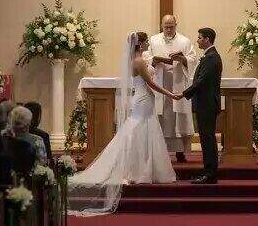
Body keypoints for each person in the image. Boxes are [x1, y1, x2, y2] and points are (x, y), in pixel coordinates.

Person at [68, 32, 178, 215]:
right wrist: (170, 94)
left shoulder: (136, 60)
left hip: (143, 99)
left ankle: (142, 169)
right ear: (140, 44)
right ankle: (137, 170)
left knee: (143, 131)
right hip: (143, 99)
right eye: (145, 42)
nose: (147, 45)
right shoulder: (139, 62)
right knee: (138, 131)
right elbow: (150, 83)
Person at [144, 15, 197, 162]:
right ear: (161, 25)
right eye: (166, 26)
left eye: (171, 26)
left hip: (178, 83)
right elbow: (147, 58)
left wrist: (183, 59)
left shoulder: (184, 41)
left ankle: (180, 151)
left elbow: (193, 59)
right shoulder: (154, 40)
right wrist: (154, 60)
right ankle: (160, 152)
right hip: (160, 83)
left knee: (178, 118)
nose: (168, 29)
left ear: (176, 25)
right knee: (162, 117)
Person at [179, 28, 222, 184]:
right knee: (205, 139)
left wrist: (183, 94)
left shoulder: (211, 58)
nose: (197, 40)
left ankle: (210, 174)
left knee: (208, 139)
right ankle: (207, 171)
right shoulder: (210, 56)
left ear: (207, 39)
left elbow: (201, 81)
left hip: (207, 105)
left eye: (199, 38)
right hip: (205, 104)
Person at [24, 102, 53, 167]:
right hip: (38, 173)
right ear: (37, 116)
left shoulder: (16, 133)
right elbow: (48, 159)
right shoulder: (42, 135)